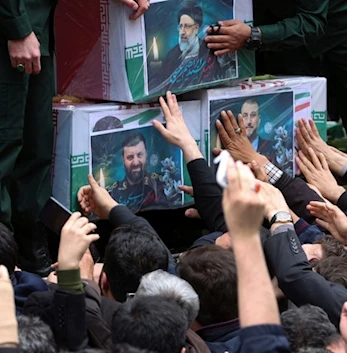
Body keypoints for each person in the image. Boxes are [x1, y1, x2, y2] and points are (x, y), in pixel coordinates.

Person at [0, 0, 148, 276]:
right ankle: (4, 256)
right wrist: (16, 27)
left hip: (37, 33)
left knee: (37, 146)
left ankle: (29, 244)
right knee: (5, 148)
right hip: (14, 32)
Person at [204, 1, 347, 172]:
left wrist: (254, 35)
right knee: (295, 129)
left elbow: (312, 22)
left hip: (344, 37)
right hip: (284, 39)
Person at [149, 0, 231, 93]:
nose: (182, 32)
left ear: (196, 28)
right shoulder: (171, 56)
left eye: (187, 26)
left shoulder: (209, 49)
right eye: (180, 26)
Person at [107, 132, 171, 212]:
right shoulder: (113, 193)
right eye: (130, 157)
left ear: (146, 155)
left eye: (140, 155)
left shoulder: (161, 184)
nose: (136, 163)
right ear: (123, 159)